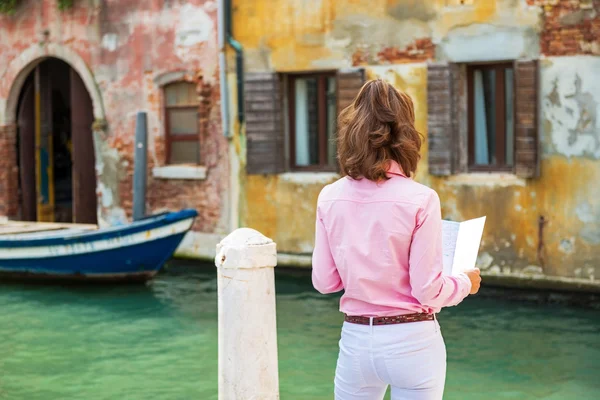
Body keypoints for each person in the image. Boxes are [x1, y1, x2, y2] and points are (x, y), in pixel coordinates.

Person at [311, 79, 481, 400]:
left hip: (357, 340)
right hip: (412, 341)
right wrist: (464, 283)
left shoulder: (329, 197)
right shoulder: (421, 199)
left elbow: (324, 282)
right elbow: (427, 290)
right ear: (405, 137)